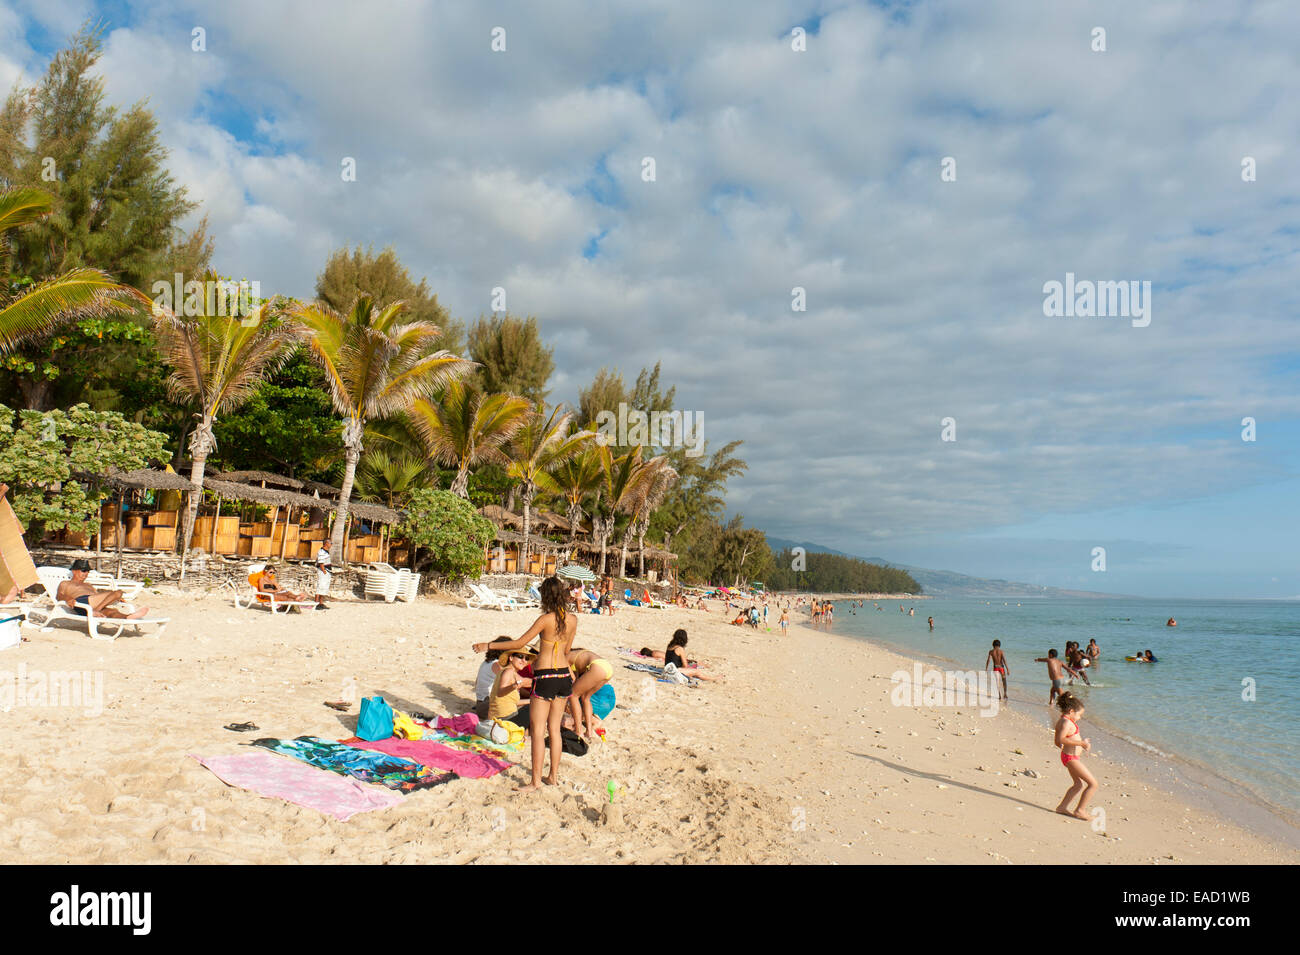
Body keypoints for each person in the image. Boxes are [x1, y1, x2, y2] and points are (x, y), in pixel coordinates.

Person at [473, 576, 576, 793]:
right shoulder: (573, 620)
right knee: (554, 729)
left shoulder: (545, 619)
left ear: (546, 596)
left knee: (538, 731)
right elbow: (567, 652)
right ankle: (553, 777)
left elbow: (519, 643)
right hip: (563, 677)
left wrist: (488, 645)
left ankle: (536, 781)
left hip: (546, 676)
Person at [1052, 692, 1098, 820]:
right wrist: (1081, 743)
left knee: (1078, 784)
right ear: (1071, 711)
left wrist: (1081, 745)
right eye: (1079, 715)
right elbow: (1061, 739)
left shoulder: (1064, 721)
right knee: (1093, 784)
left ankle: (1062, 807)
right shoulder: (1066, 723)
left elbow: (1057, 741)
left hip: (1070, 757)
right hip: (1071, 758)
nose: (1079, 717)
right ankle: (1080, 810)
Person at [56, 559, 150, 620]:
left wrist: (111, 598)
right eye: (83, 570)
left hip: (91, 603)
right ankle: (95, 610)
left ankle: (127, 617)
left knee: (112, 612)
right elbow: (59, 595)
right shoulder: (66, 583)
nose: (86, 573)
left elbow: (97, 596)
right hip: (82, 602)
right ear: (74, 571)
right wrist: (68, 598)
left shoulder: (88, 585)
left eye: (88, 571)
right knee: (118, 592)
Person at [568, 648, 613, 741]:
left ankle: (578, 731)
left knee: (572, 695)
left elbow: (572, 680)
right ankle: (589, 732)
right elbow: (576, 679)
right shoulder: (576, 656)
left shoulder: (564, 659)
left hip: (597, 667)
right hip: (607, 667)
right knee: (585, 697)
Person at [488, 648, 534, 726]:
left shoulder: (508, 671)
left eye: (526, 658)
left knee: (534, 705)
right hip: (504, 718)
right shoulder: (509, 672)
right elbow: (500, 692)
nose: (524, 661)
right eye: (520, 656)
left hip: (498, 717)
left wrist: (532, 701)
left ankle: (525, 736)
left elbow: (512, 702)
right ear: (511, 658)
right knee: (535, 709)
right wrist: (513, 686)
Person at [474, 636, 514, 718]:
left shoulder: (487, 662)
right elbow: (513, 681)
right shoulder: (497, 665)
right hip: (487, 707)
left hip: (481, 704)